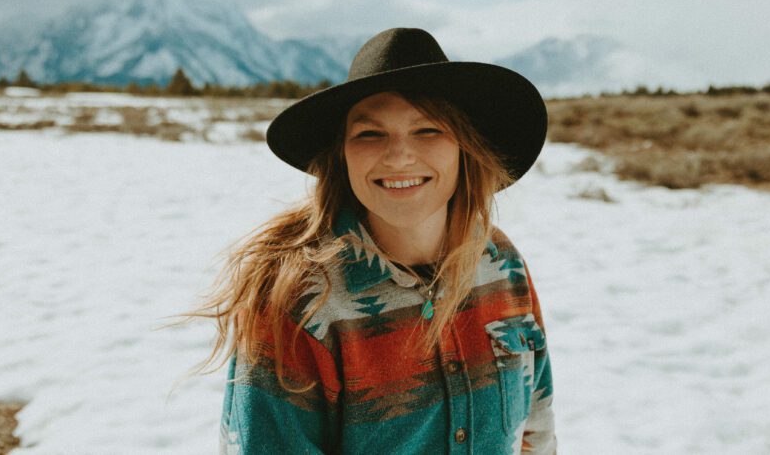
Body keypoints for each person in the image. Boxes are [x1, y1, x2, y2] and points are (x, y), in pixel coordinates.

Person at [194, 27, 556, 454]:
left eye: (428, 130)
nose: (399, 155)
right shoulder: (301, 303)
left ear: (465, 147)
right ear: (341, 155)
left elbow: (538, 427)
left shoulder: (502, 264)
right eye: (370, 134)